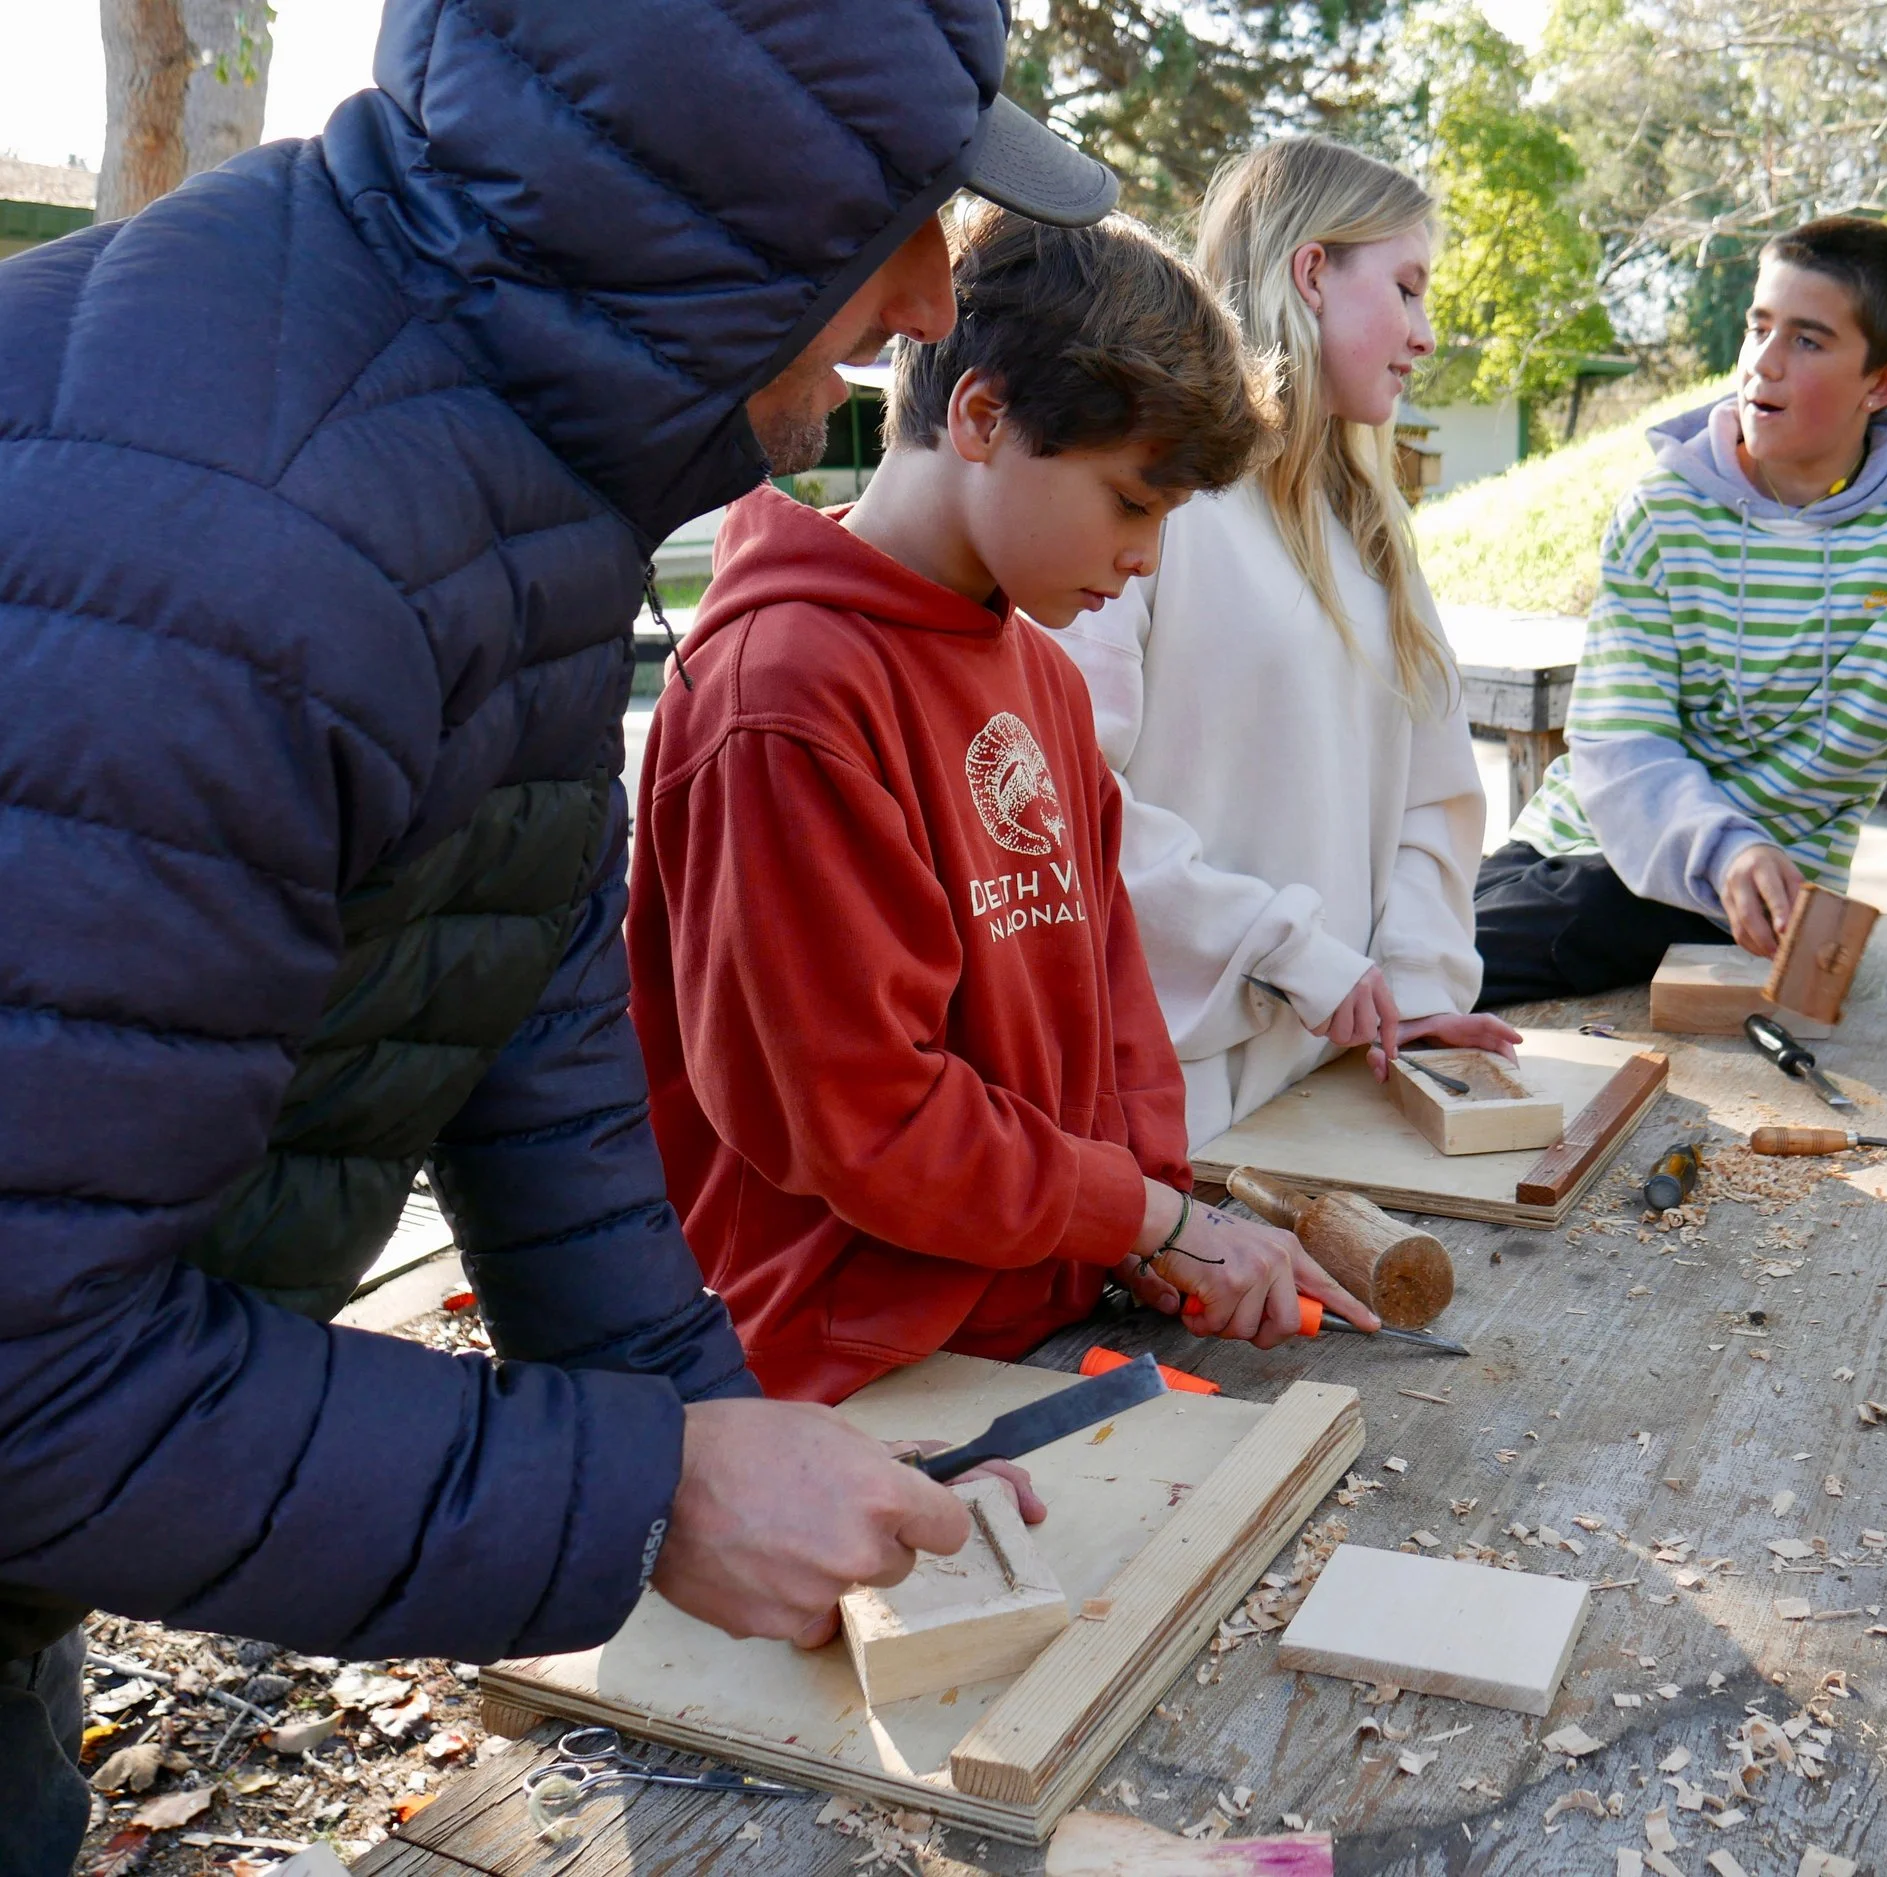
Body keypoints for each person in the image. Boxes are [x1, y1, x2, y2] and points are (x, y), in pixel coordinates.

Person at [0, 1, 1119, 1866]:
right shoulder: (241, 558)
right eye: (903, 216)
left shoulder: (487, 446)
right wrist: (644, 1489)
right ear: (709, 196)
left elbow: (508, 999)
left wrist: (686, 1406)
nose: (932, 299)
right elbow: (28, 1375)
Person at [627, 205, 1380, 1410]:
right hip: (848, 1358)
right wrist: (1147, 1215)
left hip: (1045, 1294)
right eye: (1133, 502)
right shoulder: (783, 695)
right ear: (980, 417)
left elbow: (1108, 992)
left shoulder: (1036, 669)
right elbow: (862, 1114)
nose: (1146, 557)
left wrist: (1156, 1217)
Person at [1060, 138, 1516, 1150]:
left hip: (1344, 1085)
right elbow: (1069, 798)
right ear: (1311, 271)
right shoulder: (1149, 500)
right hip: (1169, 1109)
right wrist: (1285, 952)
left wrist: (1417, 988)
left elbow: (1431, 801)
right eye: (1405, 287)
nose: (1425, 334)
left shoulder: (1372, 532)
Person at [1478, 216, 1887, 1017]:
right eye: (1758, 327)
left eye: (1809, 341)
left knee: (1422, 965)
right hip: (1594, 856)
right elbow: (1620, 742)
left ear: (1881, 383)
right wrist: (1725, 848)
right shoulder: (1663, 511)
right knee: (1419, 951)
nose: (1762, 365)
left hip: (1771, 918)